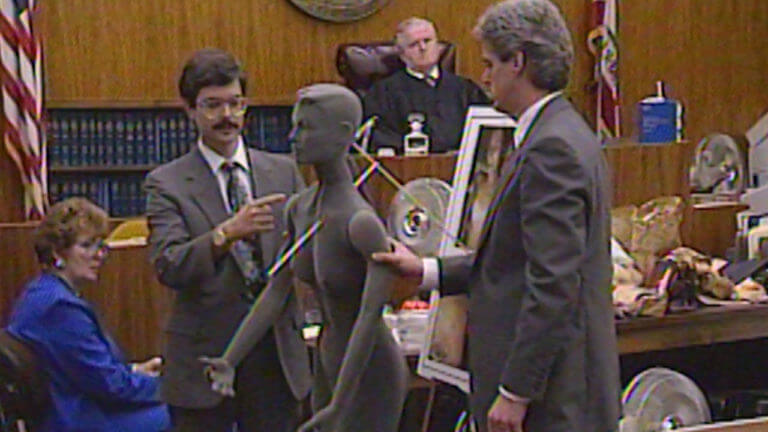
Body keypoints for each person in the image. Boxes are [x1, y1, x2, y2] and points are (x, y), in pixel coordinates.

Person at [373, 1, 621, 431]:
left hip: (552, 398)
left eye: (490, 63)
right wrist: (426, 270)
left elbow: (553, 284)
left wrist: (515, 391)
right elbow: (512, 260)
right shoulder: (558, 131)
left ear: (518, 62)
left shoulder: (551, 149)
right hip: (558, 389)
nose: (484, 77)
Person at [201, 83, 408, 432]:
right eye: (295, 125)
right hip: (328, 361)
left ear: (343, 133)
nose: (293, 136)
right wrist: (229, 359)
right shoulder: (301, 208)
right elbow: (277, 291)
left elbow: (369, 317)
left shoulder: (361, 223)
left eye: (306, 127)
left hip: (368, 369)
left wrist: (341, 403)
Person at [144, 48, 310, 431]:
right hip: (204, 358)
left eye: (235, 104)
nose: (226, 117)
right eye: (212, 106)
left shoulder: (283, 172)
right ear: (189, 110)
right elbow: (169, 265)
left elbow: (303, 252)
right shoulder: (166, 183)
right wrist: (225, 233)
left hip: (276, 356)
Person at [5, 197, 170, 432]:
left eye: (100, 245)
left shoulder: (43, 292)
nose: (99, 254)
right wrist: (175, 386)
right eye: (86, 246)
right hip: (80, 420)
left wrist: (134, 370)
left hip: (76, 407)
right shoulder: (59, 308)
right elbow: (113, 388)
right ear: (57, 252)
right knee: (195, 414)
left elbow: (86, 371)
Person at [362, 17, 489, 154]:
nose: (423, 48)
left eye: (427, 41)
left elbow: (486, 134)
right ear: (401, 53)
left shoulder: (465, 89)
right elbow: (380, 139)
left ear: (438, 46)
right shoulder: (383, 93)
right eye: (414, 44)